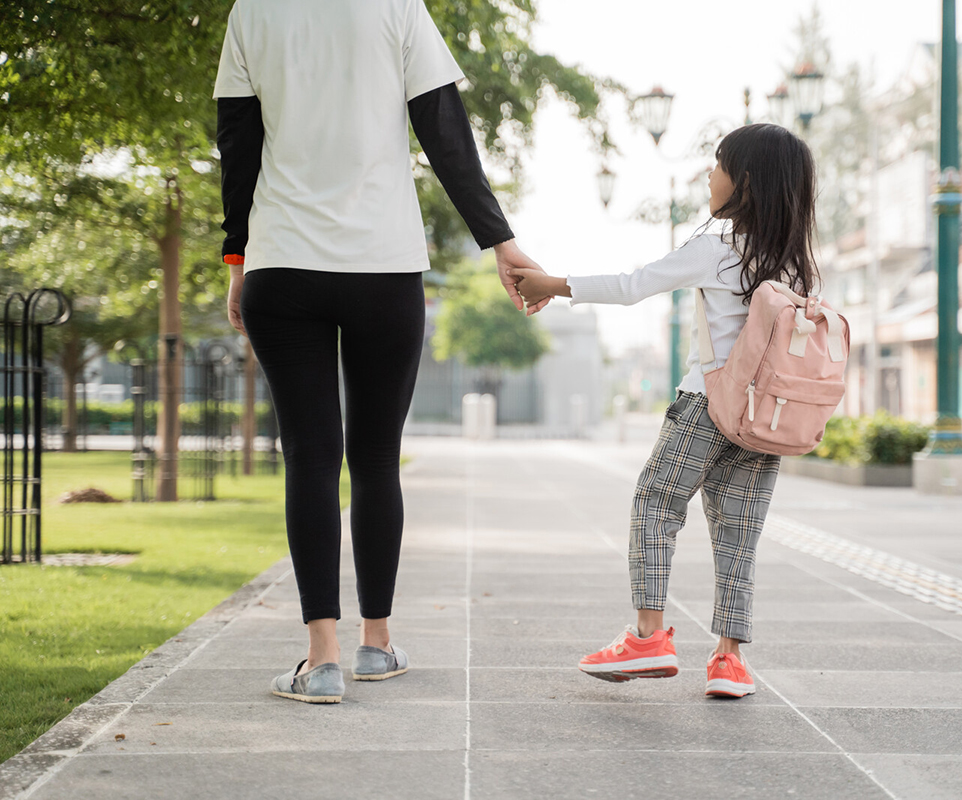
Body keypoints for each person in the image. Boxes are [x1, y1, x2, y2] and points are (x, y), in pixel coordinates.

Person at [213, 0, 549, 704]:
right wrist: (501, 242)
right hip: (385, 269)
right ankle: (375, 644)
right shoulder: (397, 6)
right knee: (373, 458)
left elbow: (237, 149)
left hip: (284, 266)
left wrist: (238, 264)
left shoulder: (252, 11)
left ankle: (321, 659)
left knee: (310, 454)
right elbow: (446, 134)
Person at [511, 124, 820, 698]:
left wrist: (552, 282)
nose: (710, 174)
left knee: (656, 503)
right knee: (740, 531)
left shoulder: (718, 247)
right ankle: (729, 660)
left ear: (744, 183)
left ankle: (649, 637)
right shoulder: (798, 265)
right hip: (762, 420)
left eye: (719, 164)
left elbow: (635, 286)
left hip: (705, 406)